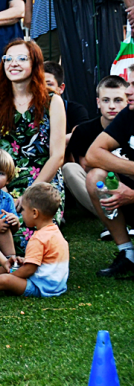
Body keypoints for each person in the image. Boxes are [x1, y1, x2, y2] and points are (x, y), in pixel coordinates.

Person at [0, 40, 66, 253]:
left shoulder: (52, 101)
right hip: (3, 181)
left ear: (35, 64)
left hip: (42, 182)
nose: (14, 63)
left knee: (27, 236)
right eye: (8, 59)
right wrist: (2, 190)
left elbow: (57, 156)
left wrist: (29, 193)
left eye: (22, 58)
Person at [85, 70, 134, 278]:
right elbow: (93, 155)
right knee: (96, 178)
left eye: (133, 85)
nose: (129, 92)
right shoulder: (129, 114)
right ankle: (128, 254)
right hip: (127, 191)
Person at [64, 76, 130, 219]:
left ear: (127, 102)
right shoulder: (83, 131)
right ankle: (108, 214)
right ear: (98, 102)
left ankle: (125, 214)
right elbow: (86, 166)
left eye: (118, 100)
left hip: (128, 190)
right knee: (70, 168)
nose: (111, 106)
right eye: (106, 100)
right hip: (97, 190)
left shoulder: (130, 127)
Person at [44, 60, 89, 142]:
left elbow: (82, 134)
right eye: (39, 84)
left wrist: (54, 143)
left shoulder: (75, 110)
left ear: (61, 88)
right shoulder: (26, 112)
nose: (43, 89)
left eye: (49, 84)